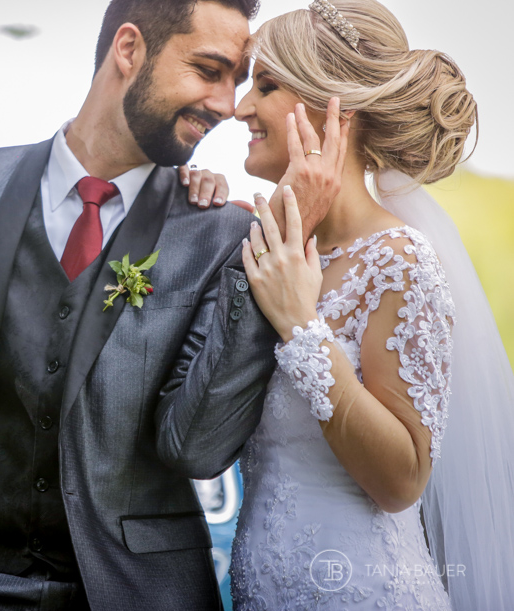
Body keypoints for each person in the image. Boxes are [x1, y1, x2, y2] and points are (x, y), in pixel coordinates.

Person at [0, 1, 345, 610]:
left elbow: (200, 449)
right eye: (209, 69)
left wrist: (265, 246)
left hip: (142, 598)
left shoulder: (217, 233)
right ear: (129, 50)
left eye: (237, 80)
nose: (226, 103)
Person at [196, 0, 511, 608]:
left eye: (265, 85)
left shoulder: (399, 260)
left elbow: (402, 480)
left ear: (329, 103)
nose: (239, 108)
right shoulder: (269, 246)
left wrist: (300, 324)